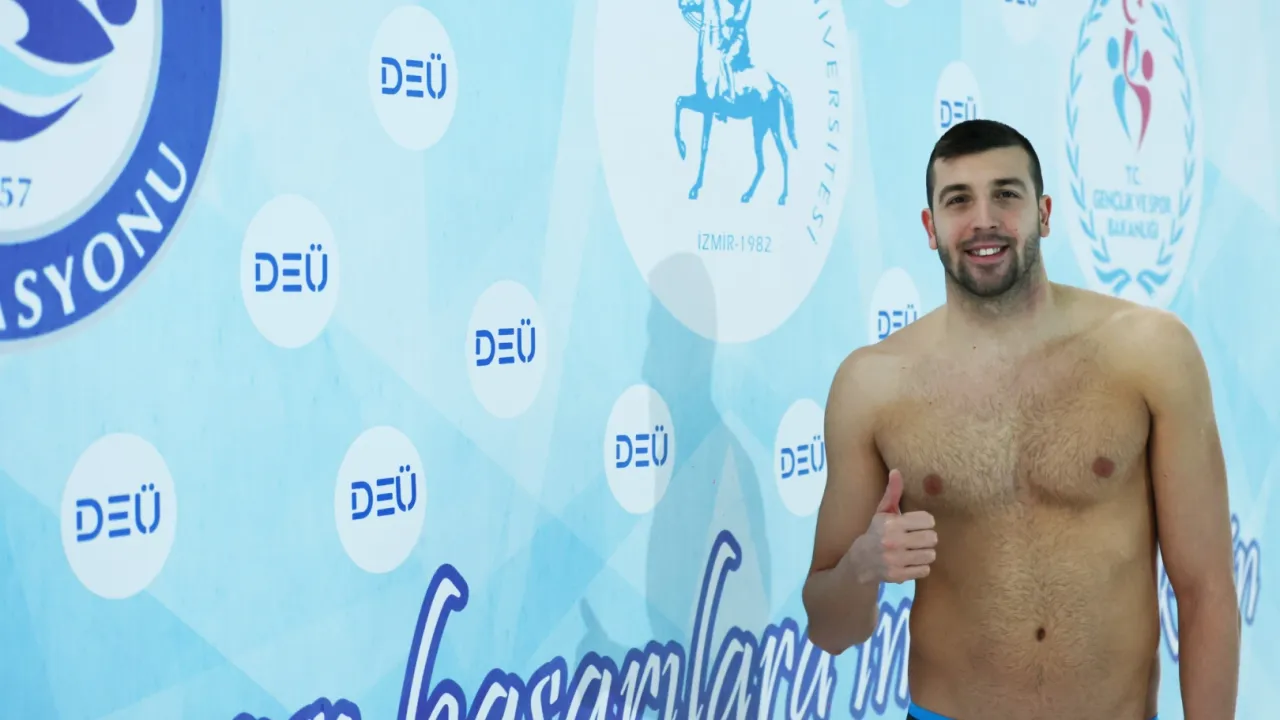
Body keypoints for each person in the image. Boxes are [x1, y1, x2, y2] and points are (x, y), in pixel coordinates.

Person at [801, 119, 1241, 720]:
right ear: (930, 228)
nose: (984, 220)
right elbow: (830, 630)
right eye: (959, 200)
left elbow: (1206, 591)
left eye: (1006, 194)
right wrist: (862, 566)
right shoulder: (873, 386)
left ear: (1045, 213)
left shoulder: (1150, 353)